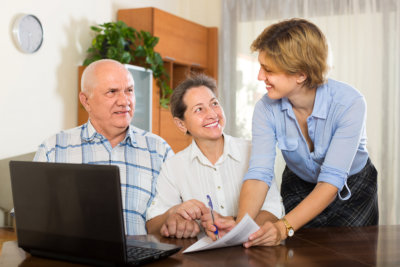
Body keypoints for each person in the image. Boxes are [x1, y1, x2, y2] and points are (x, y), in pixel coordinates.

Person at [206, 18, 379, 246]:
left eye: (268, 70)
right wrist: (241, 225)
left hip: (352, 186)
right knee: (300, 252)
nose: (259, 77)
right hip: (299, 182)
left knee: (351, 252)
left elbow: (331, 180)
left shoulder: (349, 103)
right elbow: (259, 173)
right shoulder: (265, 108)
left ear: (301, 74)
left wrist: (283, 226)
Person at [34, 59, 173, 235]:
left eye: (129, 90)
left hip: (141, 260)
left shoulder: (160, 151)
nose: (124, 101)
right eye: (112, 92)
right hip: (73, 259)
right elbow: (28, 220)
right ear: (86, 101)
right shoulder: (53, 149)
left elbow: (174, 220)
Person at [145, 74, 284, 238]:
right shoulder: (173, 166)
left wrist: (237, 226)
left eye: (214, 104)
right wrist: (173, 214)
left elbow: (274, 210)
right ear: (181, 124)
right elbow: (153, 224)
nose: (212, 114)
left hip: (254, 250)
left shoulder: (255, 151)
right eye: (199, 109)